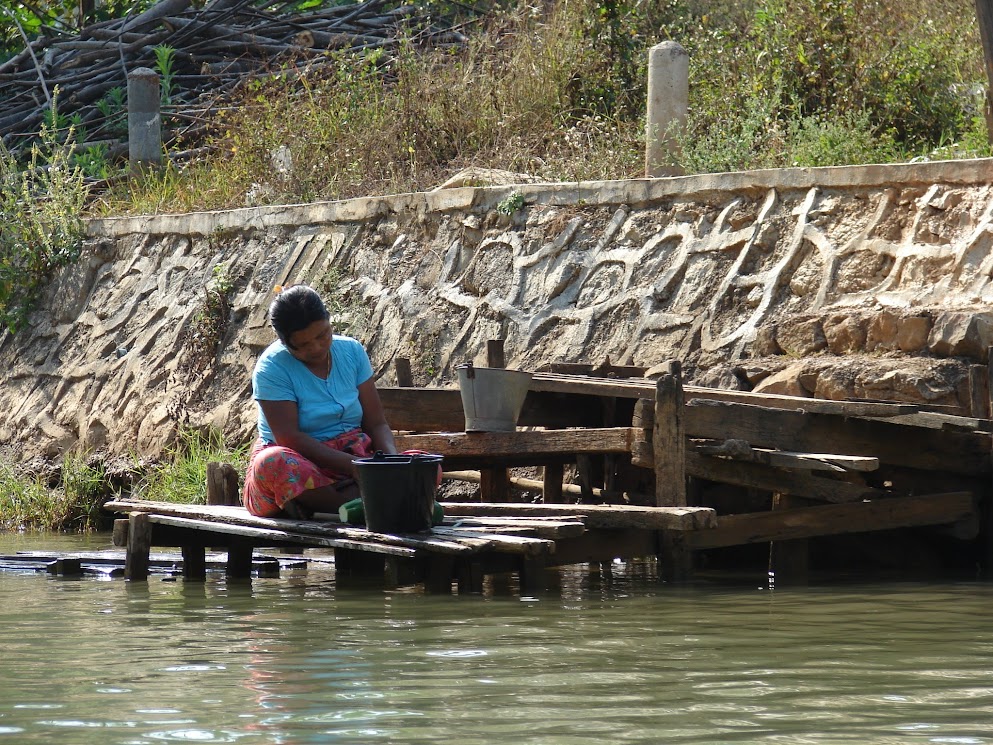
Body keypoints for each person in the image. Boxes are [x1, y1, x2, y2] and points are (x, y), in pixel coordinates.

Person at [242, 284, 397, 518]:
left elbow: (376, 423)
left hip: (356, 460)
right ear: (285, 343)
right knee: (274, 463)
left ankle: (329, 505)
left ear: (329, 321)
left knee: (425, 466)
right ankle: (364, 505)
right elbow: (289, 438)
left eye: (322, 335)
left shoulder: (352, 351)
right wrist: (355, 467)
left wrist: (392, 464)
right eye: (303, 345)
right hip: (302, 463)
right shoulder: (272, 367)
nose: (316, 347)